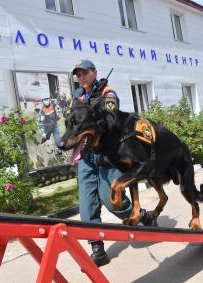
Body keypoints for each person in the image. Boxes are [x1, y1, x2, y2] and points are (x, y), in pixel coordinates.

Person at [69, 60, 155, 267]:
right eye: (78, 75)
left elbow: (112, 118)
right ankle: (97, 248)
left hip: (107, 156)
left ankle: (141, 214)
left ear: (94, 72)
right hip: (86, 157)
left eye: (85, 73)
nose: (81, 77)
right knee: (87, 203)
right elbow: (74, 121)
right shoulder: (76, 97)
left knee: (111, 201)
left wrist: (96, 107)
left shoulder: (108, 93)